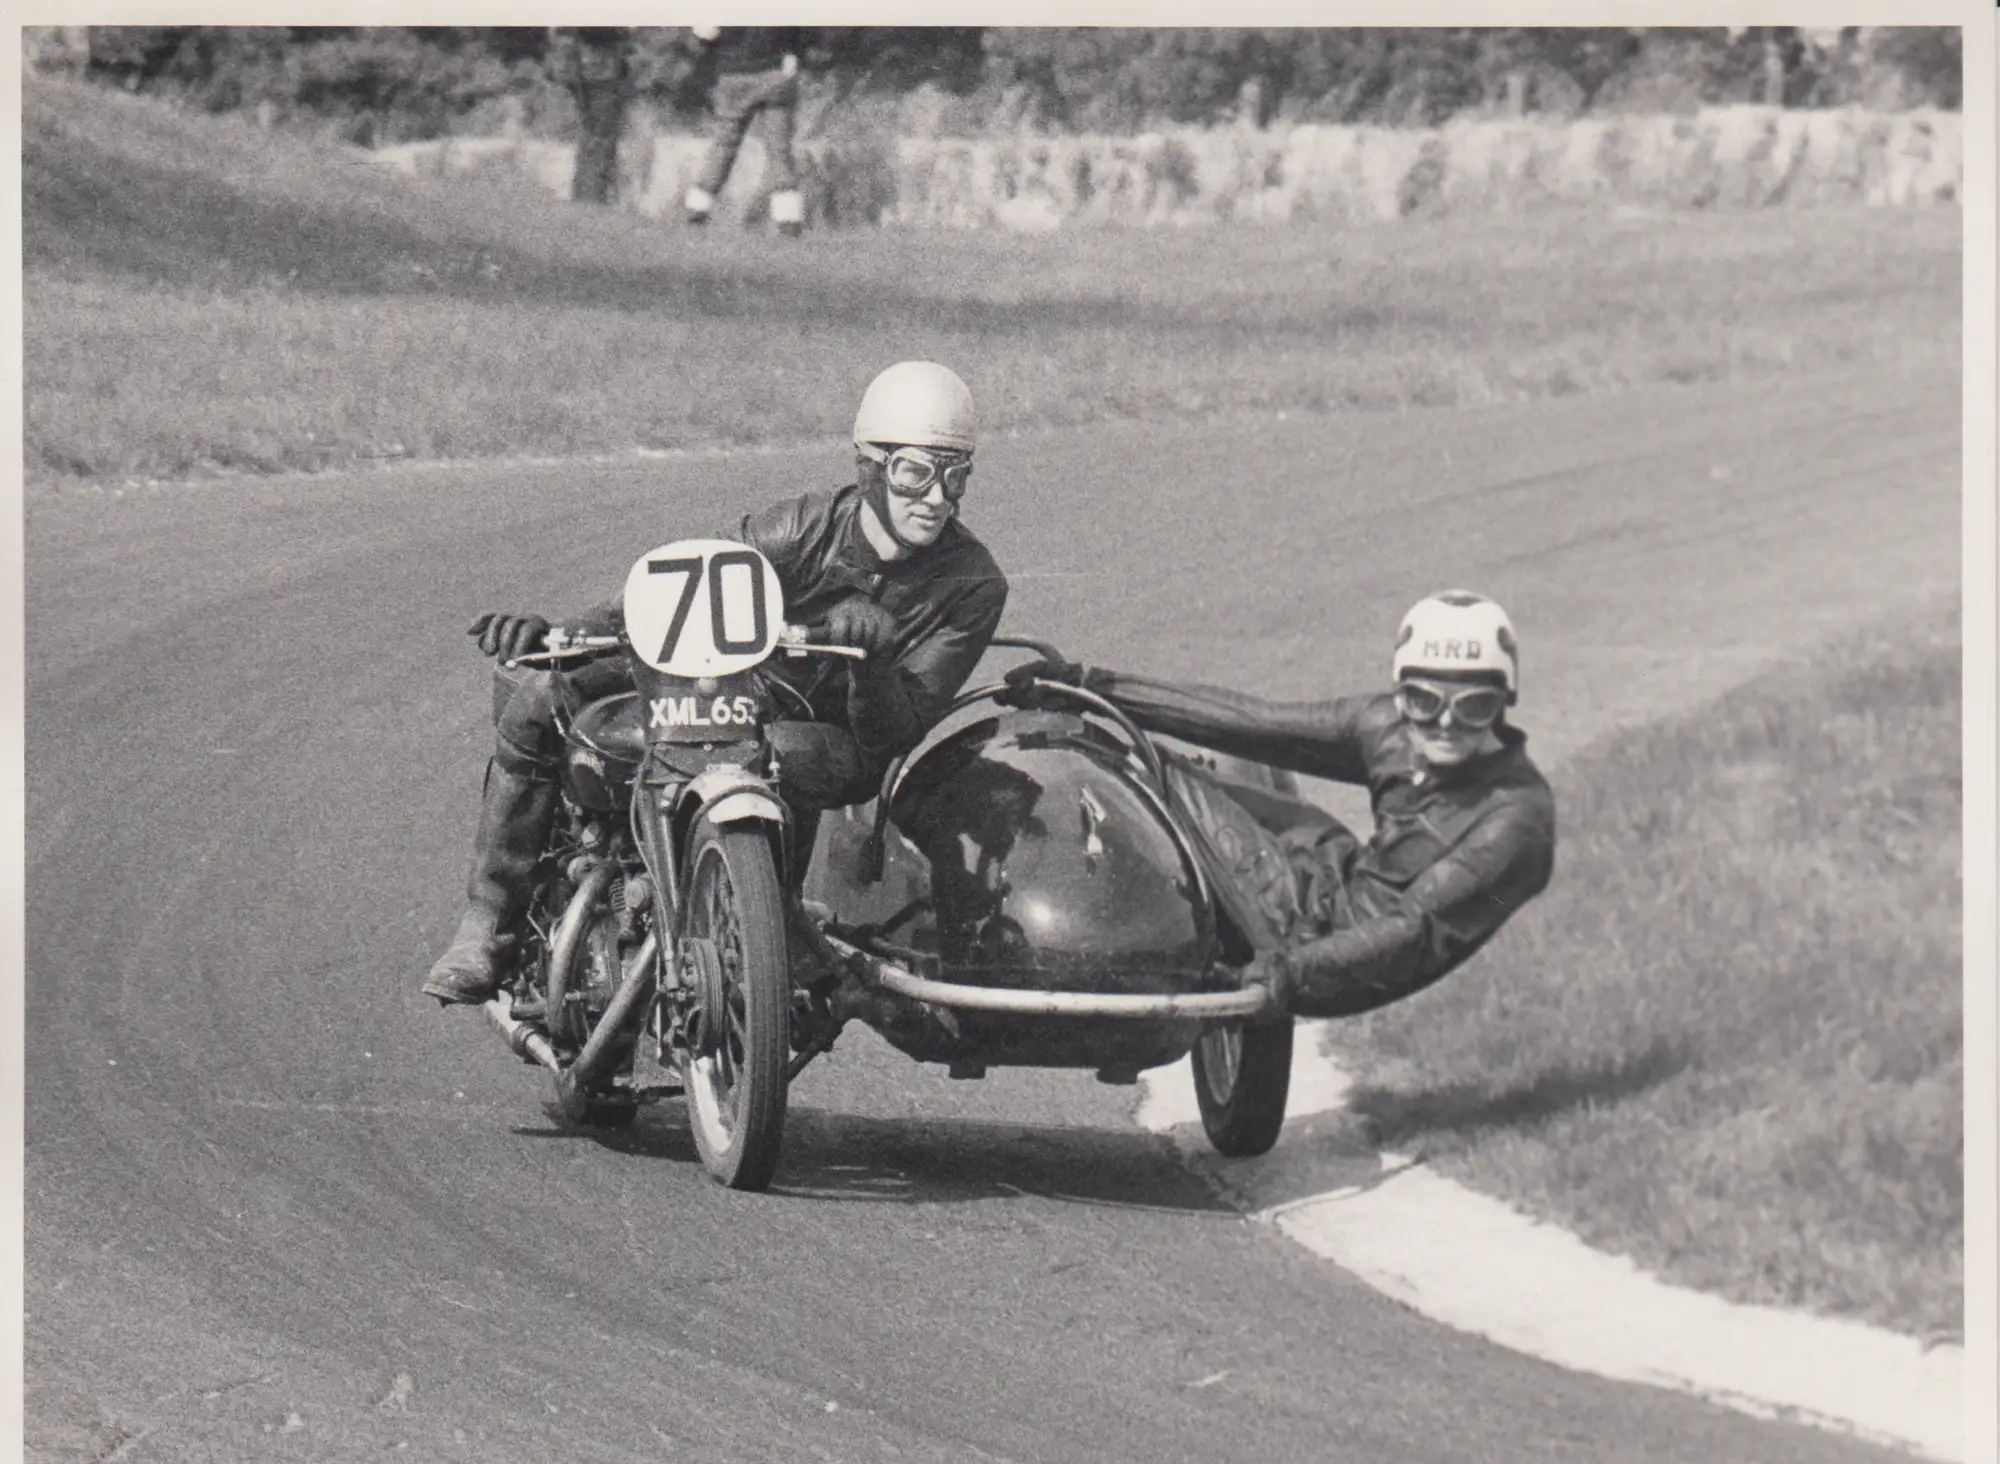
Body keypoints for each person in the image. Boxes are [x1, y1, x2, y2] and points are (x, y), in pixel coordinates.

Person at [424, 361, 1007, 1005]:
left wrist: (869, 666)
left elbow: (895, 735)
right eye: (916, 472)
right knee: (539, 696)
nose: (936, 497)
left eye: (955, 475)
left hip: (827, 739)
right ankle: (488, 926)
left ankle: (761, 919)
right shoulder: (798, 530)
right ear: (871, 468)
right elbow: (668, 600)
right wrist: (557, 635)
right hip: (720, 688)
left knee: (782, 756)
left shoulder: (974, 586)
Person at [1004, 591, 1555, 1019]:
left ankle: (1107, 936)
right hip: (1339, 891)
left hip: (1334, 955)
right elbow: (1256, 723)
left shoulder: (1516, 819)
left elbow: (1411, 927)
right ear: (1401, 693)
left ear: (1506, 702)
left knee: (1145, 766)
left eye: (1474, 706)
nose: (1445, 724)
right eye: (1424, 700)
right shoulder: (1391, 728)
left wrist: (1292, 970)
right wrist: (1089, 685)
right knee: (1213, 769)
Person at [680, 26, 816, 236]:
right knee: (779, 150)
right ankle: (788, 222)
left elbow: (705, 32)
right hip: (777, 71)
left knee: (724, 145)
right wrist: (794, 53)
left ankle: (696, 213)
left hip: (733, 73)